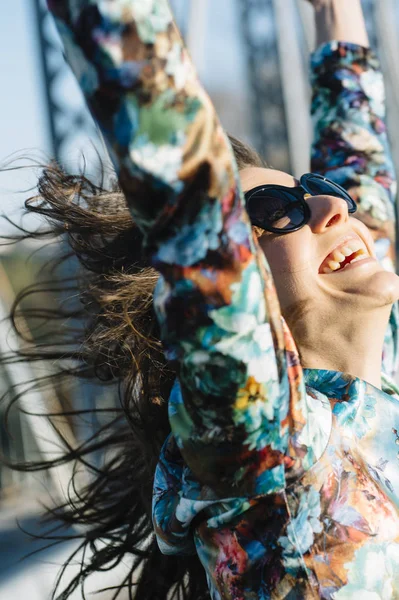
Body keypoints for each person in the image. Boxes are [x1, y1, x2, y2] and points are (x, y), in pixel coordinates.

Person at [6, 0, 399, 598]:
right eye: (275, 214)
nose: (332, 208)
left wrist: (332, 10)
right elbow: (179, 174)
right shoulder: (269, 443)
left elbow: (355, 146)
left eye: (319, 190)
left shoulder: (377, 382)